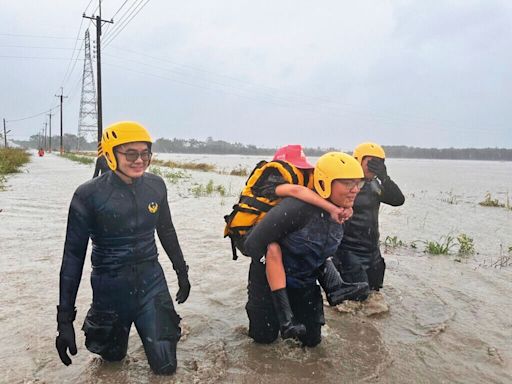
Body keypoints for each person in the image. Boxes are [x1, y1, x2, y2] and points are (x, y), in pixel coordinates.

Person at [55, 121, 190, 375]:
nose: (139, 160)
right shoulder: (88, 196)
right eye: (131, 153)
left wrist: (182, 272)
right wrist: (64, 320)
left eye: (145, 153)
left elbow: (167, 231)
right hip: (110, 288)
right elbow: (73, 258)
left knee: (166, 368)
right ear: (110, 154)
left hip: (152, 283)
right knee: (112, 365)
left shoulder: (157, 186)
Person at [224, 145, 367, 340]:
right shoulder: (294, 207)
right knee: (263, 344)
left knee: (312, 345)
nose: (355, 190)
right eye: (348, 183)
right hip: (269, 287)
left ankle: (336, 289)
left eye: (358, 183)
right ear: (326, 182)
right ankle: (282, 315)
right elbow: (251, 247)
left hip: (305, 285)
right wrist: (273, 255)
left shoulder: (342, 210)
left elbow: (327, 250)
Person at [333, 142, 405, 300]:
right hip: (349, 252)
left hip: (373, 252)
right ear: (358, 160)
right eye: (371, 162)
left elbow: (398, 200)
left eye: (378, 163)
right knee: (356, 300)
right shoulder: (344, 184)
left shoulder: (375, 184)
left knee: (375, 296)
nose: (374, 167)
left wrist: (385, 177)